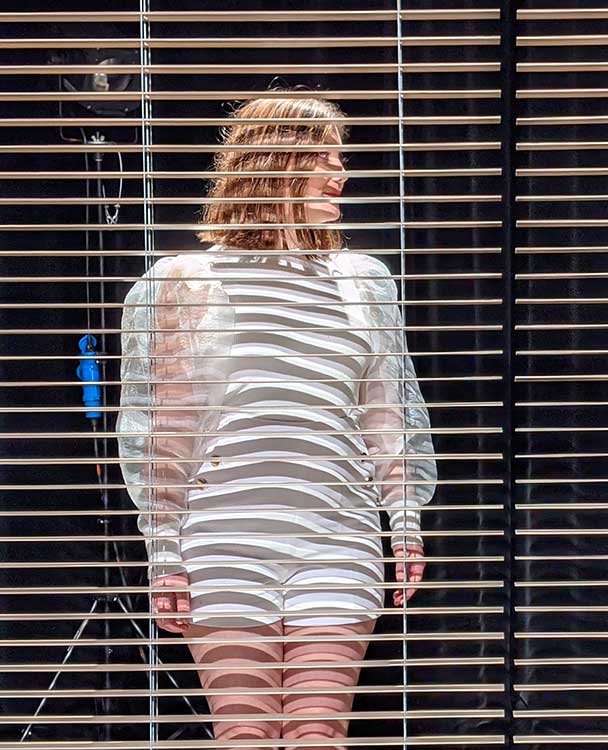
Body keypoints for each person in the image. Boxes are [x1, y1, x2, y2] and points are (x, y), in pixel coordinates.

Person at [117, 95, 436, 749]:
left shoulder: (363, 280)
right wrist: (165, 553)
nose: (340, 171)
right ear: (275, 161)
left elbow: (387, 413)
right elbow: (162, 431)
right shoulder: (182, 280)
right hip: (221, 538)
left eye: (340, 156)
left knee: (319, 730)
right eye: (325, 156)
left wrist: (404, 521)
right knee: (246, 732)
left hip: (338, 534)